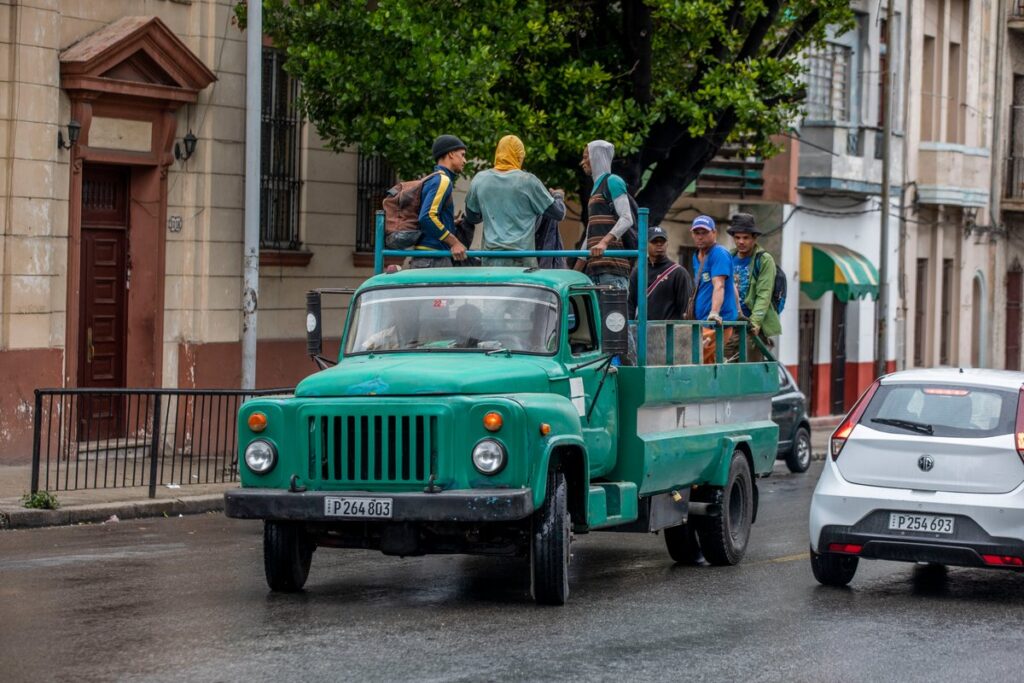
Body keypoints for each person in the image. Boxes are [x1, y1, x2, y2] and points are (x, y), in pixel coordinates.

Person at [464, 135, 566, 268]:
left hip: (490, 260)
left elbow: (472, 217)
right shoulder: (528, 181)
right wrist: (558, 196)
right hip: (523, 262)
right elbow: (558, 213)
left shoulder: (480, 179)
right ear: (519, 156)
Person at [574, 140, 635, 288]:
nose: (583, 162)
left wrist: (604, 242)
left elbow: (627, 218)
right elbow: (590, 233)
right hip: (595, 269)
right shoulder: (595, 189)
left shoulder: (612, 181)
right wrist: (575, 272)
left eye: (586, 157)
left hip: (612, 269)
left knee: (613, 311)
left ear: (596, 156)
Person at [727, 213, 781, 361]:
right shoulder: (728, 257)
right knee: (724, 370)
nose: (741, 242)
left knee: (749, 373)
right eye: (737, 237)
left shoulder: (763, 260)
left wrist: (755, 322)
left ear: (754, 238)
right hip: (729, 324)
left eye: (746, 238)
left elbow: (764, 294)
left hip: (751, 327)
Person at [410, 135, 469, 269]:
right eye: (462, 155)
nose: (465, 160)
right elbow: (427, 217)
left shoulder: (432, 179)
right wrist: (454, 243)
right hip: (433, 259)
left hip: (426, 258)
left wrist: (449, 223)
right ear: (451, 154)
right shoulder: (442, 180)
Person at [688, 215, 737, 364]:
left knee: (698, 361)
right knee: (703, 363)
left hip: (718, 323)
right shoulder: (696, 256)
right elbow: (733, 286)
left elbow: (719, 285)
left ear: (714, 233)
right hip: (702, 323)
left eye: (704, 232)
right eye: (697, 233)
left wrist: (714, 313)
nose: (700, 237)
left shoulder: (719, 253)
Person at [628, 226, 692, 321]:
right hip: (644, 331)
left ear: (667, 244)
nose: (659, 244)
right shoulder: (638, 272)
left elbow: (686, 309)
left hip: (669, 331)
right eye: (654, 241)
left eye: (662, 242)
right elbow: (630, 305)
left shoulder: (678, 272)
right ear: (646, 244)